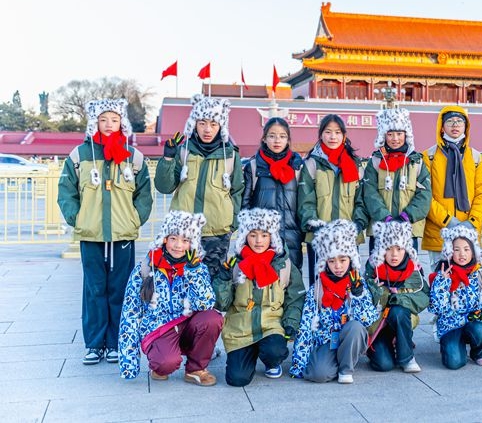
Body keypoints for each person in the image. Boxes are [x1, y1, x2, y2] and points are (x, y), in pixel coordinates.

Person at [57, 98, 153, 365]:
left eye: (114, 119)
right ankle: (94, 343)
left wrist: (135, 219)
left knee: (120, 288)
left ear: (122, 122)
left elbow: (144, 194)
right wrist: (77, 218)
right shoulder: (80, 155)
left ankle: (115, 343)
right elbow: (66, 191)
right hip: (91, 234)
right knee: (94, 289)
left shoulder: (133, 157)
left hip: (123, 234)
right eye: (103, 119)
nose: (109, 124)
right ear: (94, 122)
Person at [118, 211, 223, 385]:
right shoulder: (145, 268)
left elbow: (206, 303)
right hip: (161, 327)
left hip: (188, 324)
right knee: (166, 364)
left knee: (213, 318)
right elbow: (130, 313)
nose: (178, 245)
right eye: (173, 238)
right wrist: (129, 363)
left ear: (192, 243)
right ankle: (160, 362)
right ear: (165, 239)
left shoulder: (197, 267)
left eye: (185, 240)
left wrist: (194, 272)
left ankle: (195, 369)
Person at [154, 94, 245, 280]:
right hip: (183, 234)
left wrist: (231, 224)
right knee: (181, 283)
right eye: (202, 123)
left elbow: (237, 191)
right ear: (194, 124)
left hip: (217, 234)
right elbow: (164, 187)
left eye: (213, 124)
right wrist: (168, 158)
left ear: (221, 126)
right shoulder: (183, 151)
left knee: (213, 284)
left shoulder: (230, 155)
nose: (207, 129)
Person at [213, 208, 305, 386]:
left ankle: (272, 361)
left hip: (271, 325)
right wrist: (223, 280)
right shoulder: (235, 264)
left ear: (272, 237)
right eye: (253, 235)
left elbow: (295, 298)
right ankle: (249, 353)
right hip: (241, 329)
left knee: (274, 351)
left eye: (264, 235)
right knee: (236, 379)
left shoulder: (283, 264)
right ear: (245, 236)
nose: (258, 241)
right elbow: (222, 304)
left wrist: (291, 323)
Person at [290, 219, 379, 384]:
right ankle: (334, 362)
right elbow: (306, 327)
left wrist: (358, 296)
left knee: (355, 327)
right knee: (318, 374)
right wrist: (299, 363)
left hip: (350, 337)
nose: (338, 266)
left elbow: (369, 320)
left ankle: (346, 370)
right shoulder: (317, 288)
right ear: (325, 262)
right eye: (332, 261)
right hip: (327, 340)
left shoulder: (357, 284)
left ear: (351, 259)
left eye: (342, 260)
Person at [297, 114, 368, 280]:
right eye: (328, 132)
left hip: (348, 237)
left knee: (349, 285)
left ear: (344, 135)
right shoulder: (312, 164)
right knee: (319, 285)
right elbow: (306, 201)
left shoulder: (355, 165)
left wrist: (357, 225)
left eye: (337, 132)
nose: (332, 137)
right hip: (319, 236)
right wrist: (315, 226)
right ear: (321, 135)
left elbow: (361, 200)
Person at [423, 106, 482, 272]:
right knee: (440, 278)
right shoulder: (429, 156)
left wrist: (472, 221)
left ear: (466, 127)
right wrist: (447, 220)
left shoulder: (475, 157)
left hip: (469, 232)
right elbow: (425, 195)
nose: (455, 125)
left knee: (469, 281)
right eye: (450, 121)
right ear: (441, 126)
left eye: (459, 121)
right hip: (439, 232)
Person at [428, 225, 482, 369]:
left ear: (473, 252)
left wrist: (481, 313)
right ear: (450, 251)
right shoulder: (443, 274)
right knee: (454, 362)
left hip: (474, 320)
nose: (462, 254)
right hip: (451, 324)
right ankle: (450, 346)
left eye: (466, 249)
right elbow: (436, 308)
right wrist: (442, 283)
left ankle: (480, 352)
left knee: (481, 330)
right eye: (456, 249)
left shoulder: (481, 273)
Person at [362, 107, 432, 253]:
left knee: (407, 266)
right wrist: (385, 217)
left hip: (408, 230)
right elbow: (369, 193)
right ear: (383, 135)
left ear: (406, 135)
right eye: (390, 134)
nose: (395, 139)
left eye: (399, 133)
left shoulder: (417, 162)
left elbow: (424, 195)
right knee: (378, 266)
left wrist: (406, 217)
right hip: (380, 229)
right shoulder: (375, 161)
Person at [364, 221, 430, 373]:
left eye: (399, 249)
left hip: (402, 319)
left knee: (398, 310)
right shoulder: (373, 269)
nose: (394, 254)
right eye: (388, 248)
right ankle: (381, 347)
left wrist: (396, 300)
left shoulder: (413, 268)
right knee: (384, 365)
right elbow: (362, 304)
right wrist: (377, 292)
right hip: (378, 324)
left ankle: (407, 357)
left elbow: (424, 297)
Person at [242, 117, 304, 270]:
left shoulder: (298, 167)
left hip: (291, 239)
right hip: (261, 240)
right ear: (264, 138)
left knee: (291, 280)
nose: (277, 140)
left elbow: (303, 204)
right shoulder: (253, 167)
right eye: (272, 136)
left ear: (288, 140)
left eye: (282, 136)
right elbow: (245, 205)